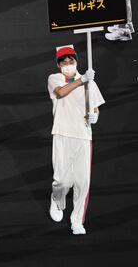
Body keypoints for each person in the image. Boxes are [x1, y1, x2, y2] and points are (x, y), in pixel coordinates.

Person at [47, 45, 105, 236]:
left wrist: (94, 115)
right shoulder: (55, 79)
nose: (68, 64)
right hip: (62, 133)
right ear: (58, 65)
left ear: (76, 61)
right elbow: (61, 93)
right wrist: (82, 80)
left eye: (71, 61)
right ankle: (57, 200)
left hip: (83, 135)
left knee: (82, 182)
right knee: (61, 181)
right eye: (63, 62)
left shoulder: (90, 82)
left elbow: (94, 107)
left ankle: (77, 220)